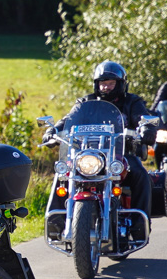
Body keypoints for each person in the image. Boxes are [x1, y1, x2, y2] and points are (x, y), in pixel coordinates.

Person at [43, 60, 156, 239]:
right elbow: (68, 119)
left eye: (110, 84)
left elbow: (142, 117)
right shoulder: (85, 102)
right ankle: (55, 222)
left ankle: (139, 225)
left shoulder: (132, 102)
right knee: (63, 172)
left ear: (120, 84)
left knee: (140, 174)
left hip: (120, 154)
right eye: (102, 83)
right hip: (87, 155)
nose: (106, 88)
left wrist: (146, 129)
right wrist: (53, 130)